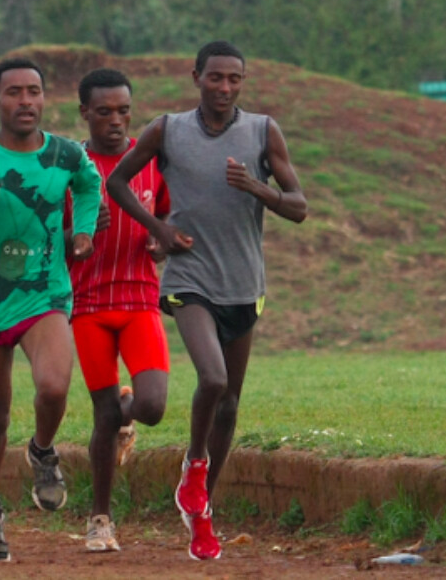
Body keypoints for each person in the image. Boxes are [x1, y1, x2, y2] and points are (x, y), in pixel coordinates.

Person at [107, 41, 308, 561]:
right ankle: (194, 466)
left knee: (230, 404)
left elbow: (299, 207)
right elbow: (118, 181)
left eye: (234, 79)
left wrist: (257, 188)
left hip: (244, 285)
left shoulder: (263, 131)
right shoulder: (167, 130)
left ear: (243, 81)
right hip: (189, 278)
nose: (224, 87)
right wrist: (158, 229)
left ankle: (201, 509)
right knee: (213, 380)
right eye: (215, 77)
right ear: (196, 76)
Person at [0, 58, 101, 563]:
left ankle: (42, 450)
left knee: (53, 387)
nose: (25, 101)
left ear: (44, 98)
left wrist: (83, 231)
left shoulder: (65, 153)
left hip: (45, 293)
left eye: (34, 91)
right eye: (14, 92)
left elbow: (89, 186)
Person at [67, 69, 171, 553]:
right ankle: (100, 519)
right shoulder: (70, 167)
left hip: (139, 299)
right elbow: (50, 239)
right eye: (104, 112)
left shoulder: (149, 161)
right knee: (103, 415)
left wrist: (160, 238)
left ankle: (126, 411)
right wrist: (79, 233)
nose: (115, 120)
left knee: (151, 407)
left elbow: (168, 214)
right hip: (88, 304)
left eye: (123, 111)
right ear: (84, 113)